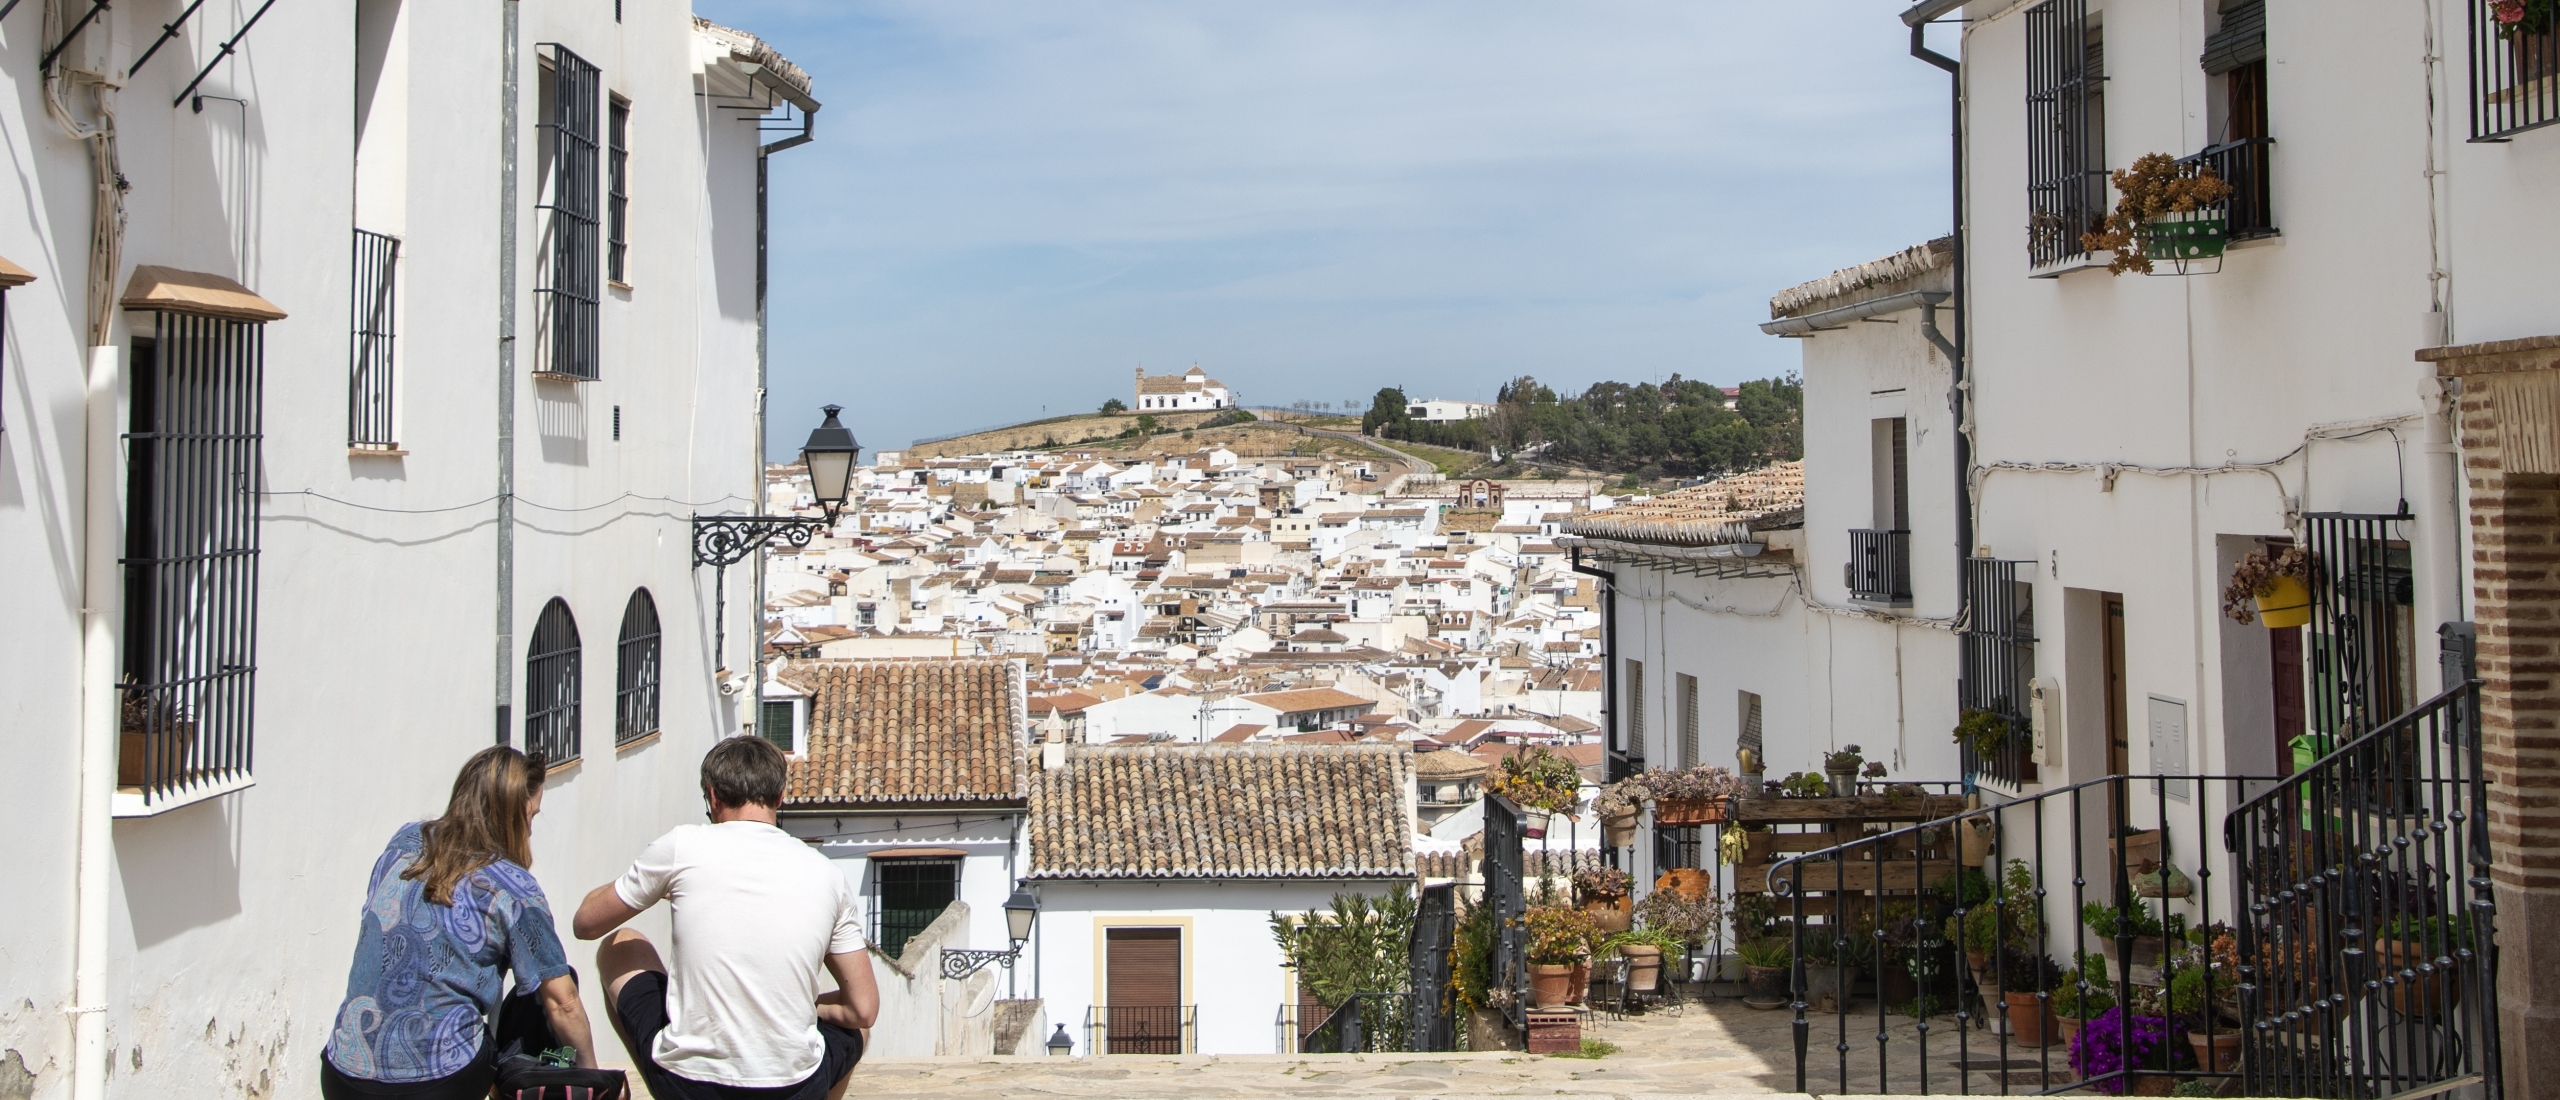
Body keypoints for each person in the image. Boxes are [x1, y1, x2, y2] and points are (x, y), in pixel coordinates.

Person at [574, 736, 877, 1100]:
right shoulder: (828, 875)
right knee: (857, 1032)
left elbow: (586, 923)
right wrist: (806, 1008)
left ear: (713, 796)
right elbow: (863, 1008)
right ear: (780, 797)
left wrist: (653, 884)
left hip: (687, 1086)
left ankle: (662, 1074)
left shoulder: (681, 846)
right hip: (792, 1089)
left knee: (620, 944)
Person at [324, 747, 599, 1100]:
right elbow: (564, 1003)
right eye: (531, 816)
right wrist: (593, 1076)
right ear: (515, 814)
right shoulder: (514, 887)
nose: (530, 831)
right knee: (541, 993)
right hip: (437, 1082)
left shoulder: (402, 843)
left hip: (343, 1074)